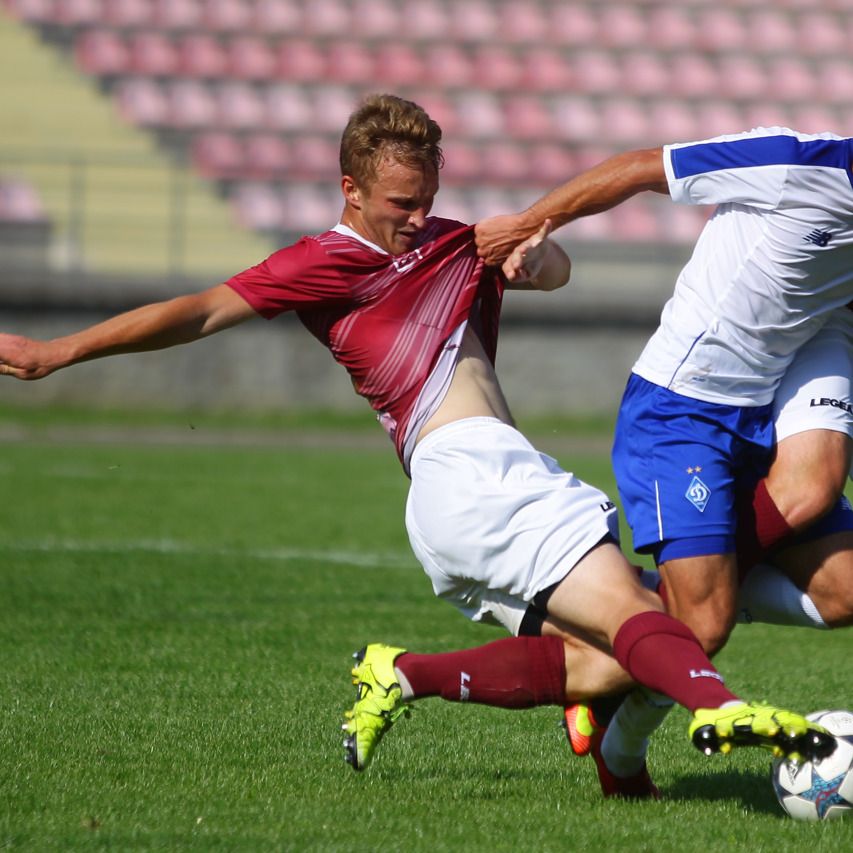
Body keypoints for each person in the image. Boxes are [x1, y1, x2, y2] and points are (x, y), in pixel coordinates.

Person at [0, 101, 830, 794]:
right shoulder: (322, 261)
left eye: (425, 197)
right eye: (398, 202)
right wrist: (59, 352)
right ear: (349, 189)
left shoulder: (448, 241)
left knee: (609, 652)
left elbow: (552, 271)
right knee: (650, 623)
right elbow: (199, 310)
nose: (414, 217)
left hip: (466, 489)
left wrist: (539, 257)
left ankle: (404, 674)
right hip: (471, 469)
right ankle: (717, 707)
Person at [475, 125, 853, 789]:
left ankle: (647, 606)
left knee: (839, 575)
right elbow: (640, 166)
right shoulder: (799, 162)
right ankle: (617, 754)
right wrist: (530, 225)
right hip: (683, 408)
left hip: (798, 367)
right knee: (700, 627)